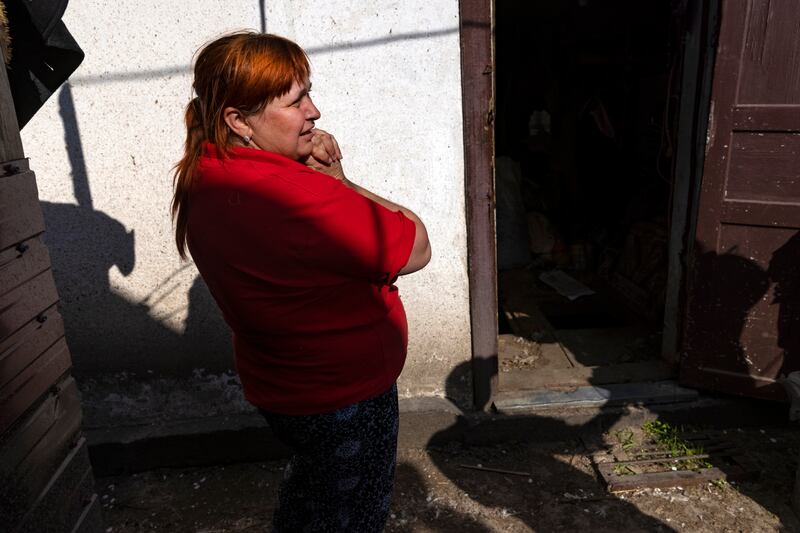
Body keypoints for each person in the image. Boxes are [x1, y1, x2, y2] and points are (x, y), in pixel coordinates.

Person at [171, 31, 431, 531]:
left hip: (283, 388)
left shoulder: (207, 172)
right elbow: (416, 245)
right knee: (352, 516)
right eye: (296, 101)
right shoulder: (298, 197)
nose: (314, 111)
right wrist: (338, 181)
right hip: (343, 395)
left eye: (307, 93)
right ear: (238, 121)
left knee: (313, 495)